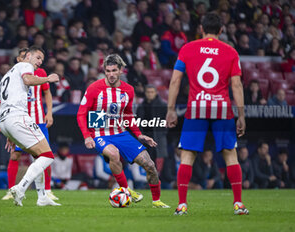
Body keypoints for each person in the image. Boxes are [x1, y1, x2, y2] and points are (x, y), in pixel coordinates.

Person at [166, 13, 249, 215]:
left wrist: (170, 109)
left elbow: (176, 80)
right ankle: (238, 204)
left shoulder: (187, 49)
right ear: (221, 30)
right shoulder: (230, 52)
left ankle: (182, 205)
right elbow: (236, 84)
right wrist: (241, 115)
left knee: (188, 155)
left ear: (201, 29)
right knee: (230, 154)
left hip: (197, 107)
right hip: (221, 108)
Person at [77, 54, 169, 208]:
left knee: (150, 165)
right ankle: (126, 190)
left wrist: (139, 135)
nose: (111, 74)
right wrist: (87, 136)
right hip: (100, 134)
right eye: (108, 71)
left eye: (114, 70)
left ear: (121, 70)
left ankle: (156, 201)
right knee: (114, 154)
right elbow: (81, 114)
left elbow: (127, 116)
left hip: (121, 133)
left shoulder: (128, 90)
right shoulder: (94, 88)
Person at [0, 46, 60, 207]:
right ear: (28, 56)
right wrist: (48, 79)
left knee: (39, 156)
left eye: (41, 60)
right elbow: (28, 80)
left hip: (6, 120)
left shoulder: (7, 75)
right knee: (47, 156)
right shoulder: (26, 66)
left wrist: (10, 134)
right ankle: (20, 188)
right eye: (38, 58)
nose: (39, 62)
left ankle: (42, 197)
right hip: (18, 117)